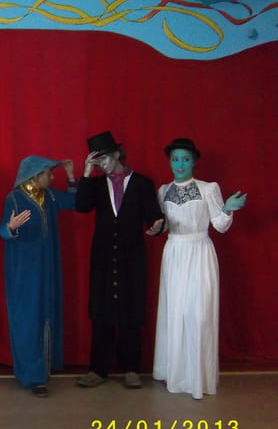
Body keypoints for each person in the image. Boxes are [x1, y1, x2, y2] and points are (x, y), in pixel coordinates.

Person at [152, 138, 246, 399]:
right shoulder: (163, 191)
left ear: (194, 161)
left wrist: (227, 209)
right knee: (175, 311)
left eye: (185, 159)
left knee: (198, 312)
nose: (180, 164)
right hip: (174, 253)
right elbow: (163, 224)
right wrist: (156, 228)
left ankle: (197, 377)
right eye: (175, 159)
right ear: (170, 163)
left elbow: (220, 225)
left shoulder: (208, 188)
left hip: (200, 253)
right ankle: (175, 372)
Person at [75, 131, 164, 389]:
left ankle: (131, 368)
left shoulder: (142, 183)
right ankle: (98, 369)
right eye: (96, 160)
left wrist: (157, 225)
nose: (101, 164)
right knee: (101, 311)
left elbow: (154, 215)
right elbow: (81, 206)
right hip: (103, 256)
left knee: (130, 311)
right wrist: (86, 173)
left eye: (103, 158)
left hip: (131, 256)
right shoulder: (96, 184)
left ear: (116, 154)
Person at [0, 155, 76, 397]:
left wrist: (72, 177)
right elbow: (3, 230)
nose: (52, 177)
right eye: (48, 173)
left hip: (47, 267)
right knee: (28, 319)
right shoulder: (14, 199)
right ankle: (32, 376)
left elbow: (73, 202)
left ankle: (43, 370)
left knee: (46, 314)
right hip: (24, 272)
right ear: (35, 176)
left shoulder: (49, 197)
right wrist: (10, 227)